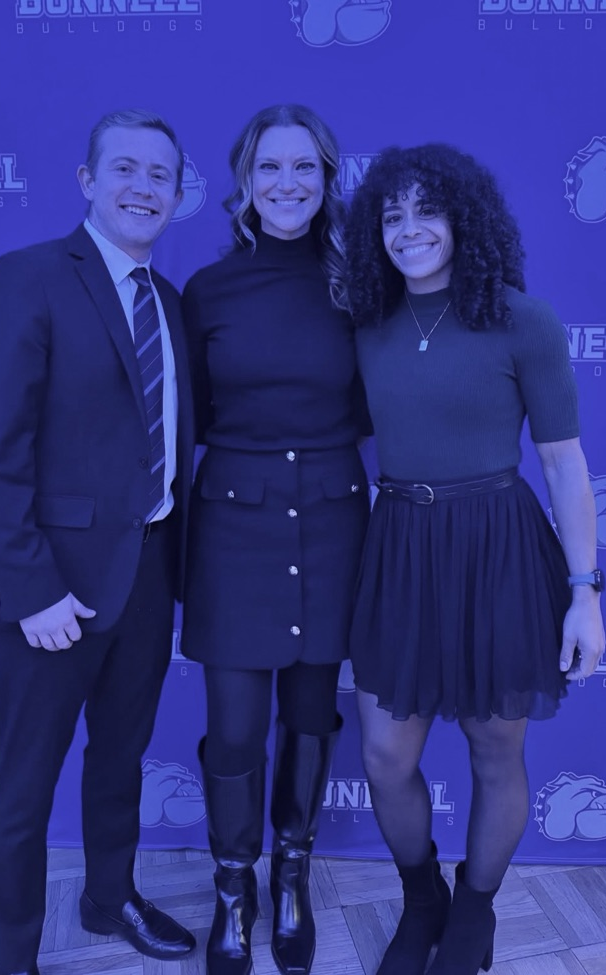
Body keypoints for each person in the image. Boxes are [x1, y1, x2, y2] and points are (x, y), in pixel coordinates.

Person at [343, 144, 606, 975]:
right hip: (400, 546)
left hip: (495, 546)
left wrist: (585, 592)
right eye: (392, 215)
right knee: (386, 756)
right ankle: (425, 900)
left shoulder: (523, 320)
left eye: (427, 212)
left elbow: (564, 464)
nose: (409, 230)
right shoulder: (369, 321)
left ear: (464, 221)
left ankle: (475, 913)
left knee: (497, 750)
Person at [0, 109, 196, 975]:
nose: (144, 186)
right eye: (124, 168)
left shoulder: (167, 302)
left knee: (121, 760)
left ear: (177, 194)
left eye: (160, 175)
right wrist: (32, 591)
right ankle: (7, 953)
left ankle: (109, 896)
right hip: (49, 593)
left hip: (143, 581)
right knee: (23, 785)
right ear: (87, 180)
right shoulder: (26, 278)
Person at [180, 104, 370, 975]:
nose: (286, 184)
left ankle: (291, 875)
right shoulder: (209, 291)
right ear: (244, 184)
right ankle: (233, 889)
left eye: (304, 167)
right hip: (233, 522)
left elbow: (381, 406)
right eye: (269, 169)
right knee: (234, 727)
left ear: (329, 178)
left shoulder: (363, 284)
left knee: (307, 714)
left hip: (333, 516)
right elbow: (192, 417)